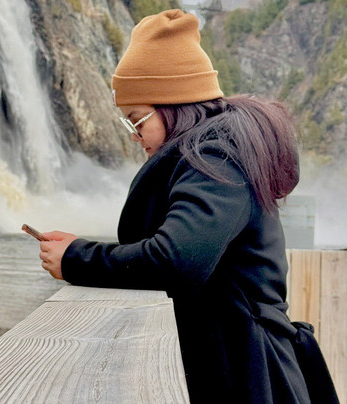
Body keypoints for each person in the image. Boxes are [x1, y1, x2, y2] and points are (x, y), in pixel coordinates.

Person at [38, 9, 339, 404]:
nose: (134, 136)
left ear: (173, 104)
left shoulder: (219, 157)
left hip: (252, 379)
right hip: (239, 368)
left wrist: (75, 258)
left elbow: (178, 260)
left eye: (136, 120)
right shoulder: (215, 153)